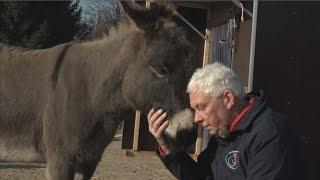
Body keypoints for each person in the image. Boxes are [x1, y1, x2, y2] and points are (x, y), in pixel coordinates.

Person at [147, 62, 315, 180]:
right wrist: (166, 146)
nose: (196, 118)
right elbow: (203, 176)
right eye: (195, 109)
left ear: (228, 99)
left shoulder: (270, 135)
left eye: (202, 107)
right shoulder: (226, 131)